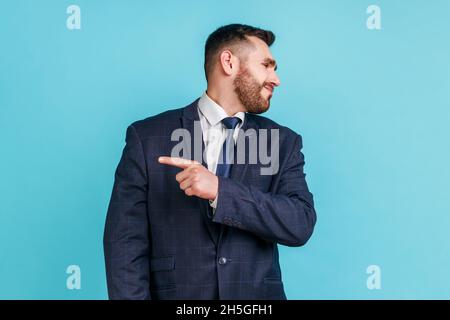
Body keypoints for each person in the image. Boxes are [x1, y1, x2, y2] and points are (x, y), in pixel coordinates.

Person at [103, 23, 317, 300]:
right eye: (267, 65)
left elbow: (300, 223)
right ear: (229, 62)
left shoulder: (283, 141)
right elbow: (124, 244)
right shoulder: (147, 138)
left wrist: (220, 190)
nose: (276, 79)